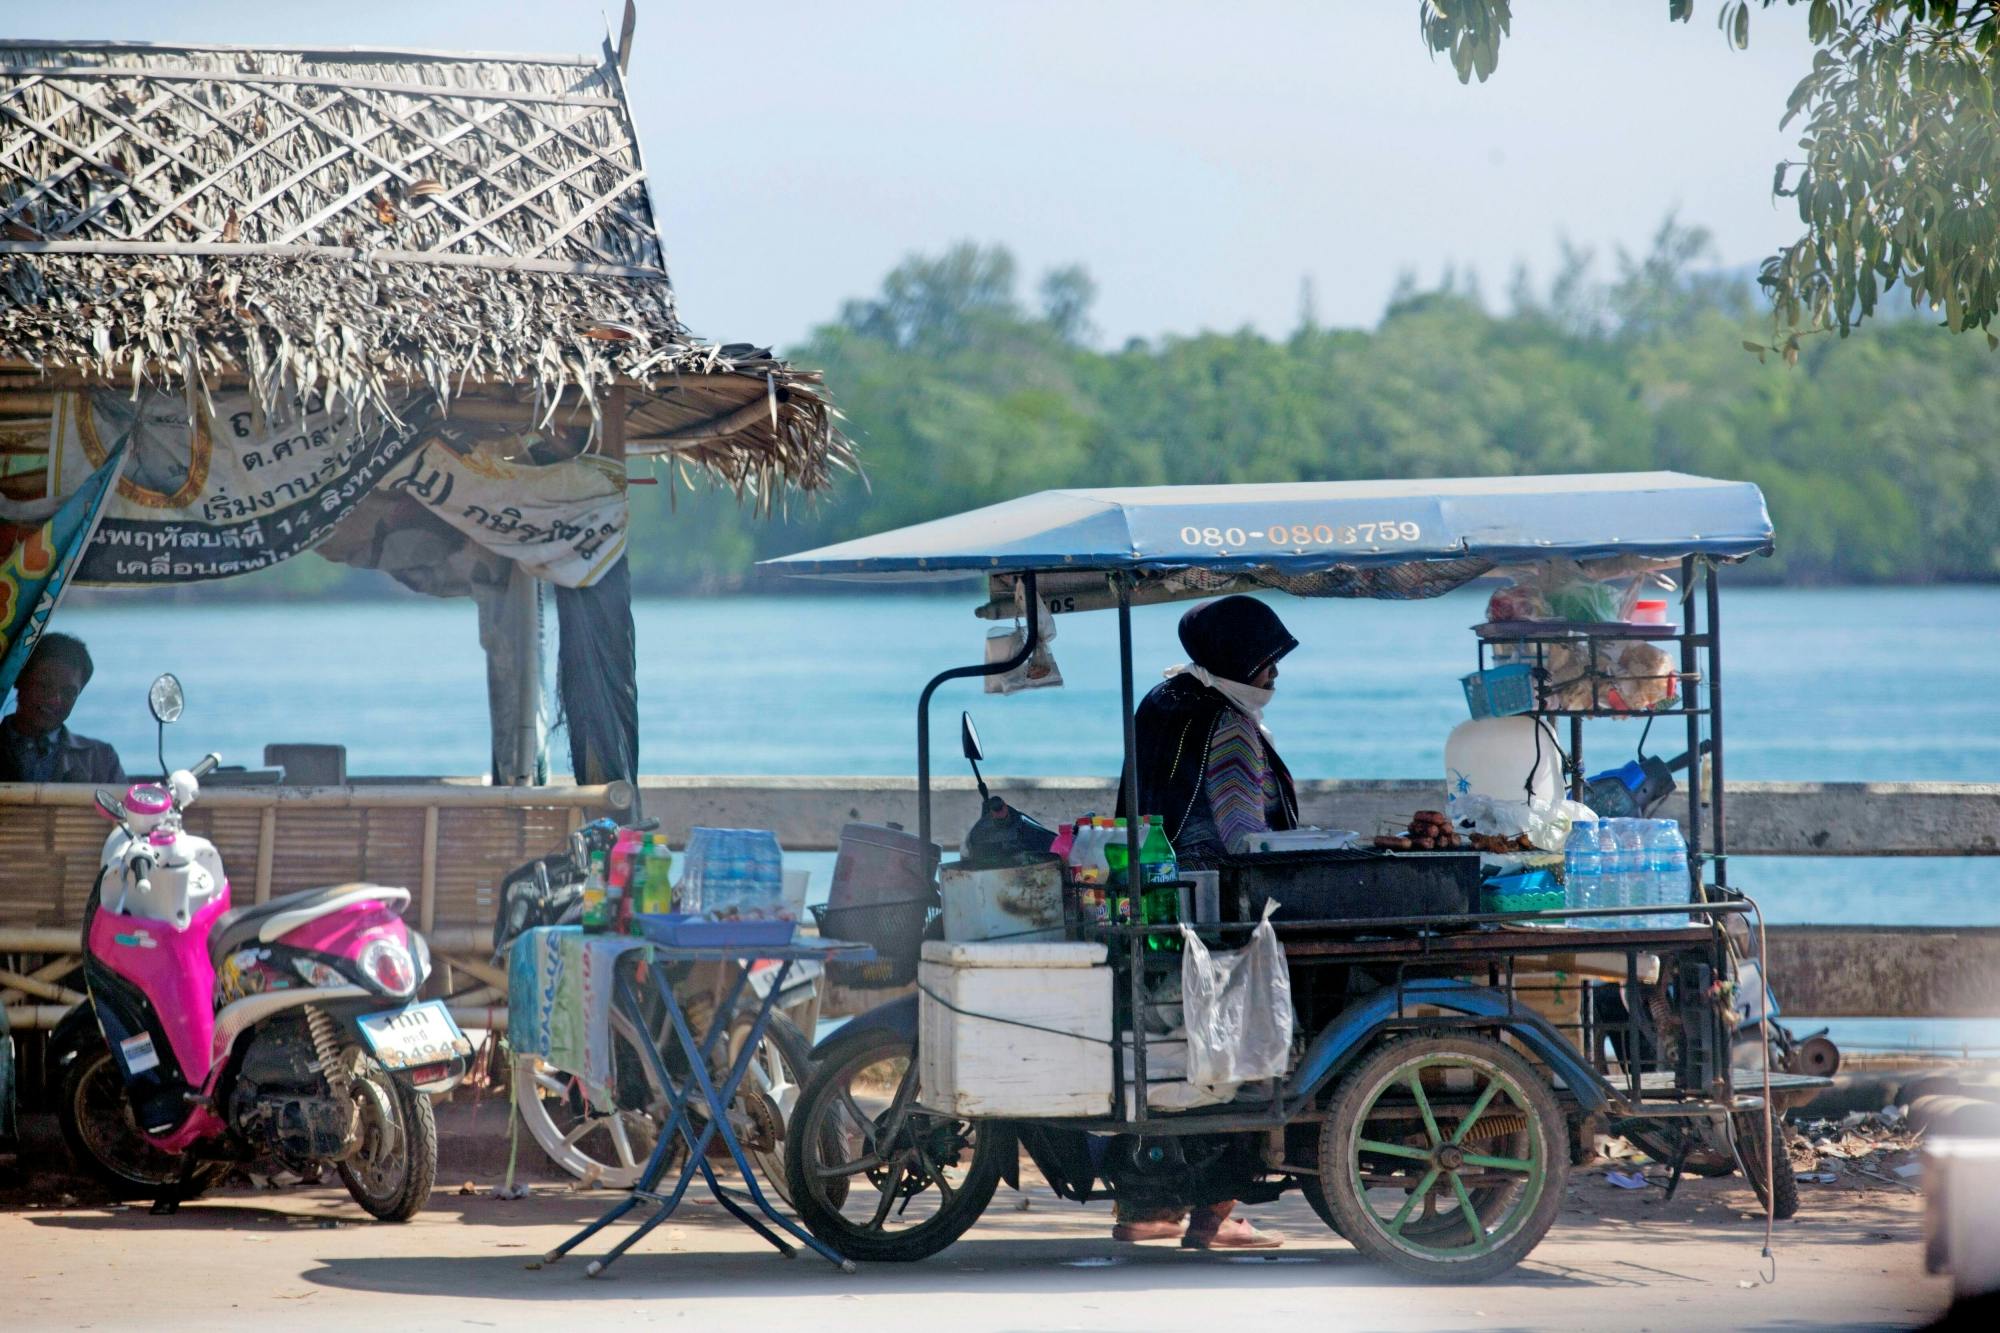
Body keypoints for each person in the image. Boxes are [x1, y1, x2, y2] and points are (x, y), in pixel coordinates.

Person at [1110, 594, 1299, 1250]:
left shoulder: (1165, 699)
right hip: (1222, 917)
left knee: (1166, 1063)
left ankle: (1147, 1205)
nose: (1274, 675)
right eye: (1269, 663)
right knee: (1256, 1051)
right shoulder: (1231, 724)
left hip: (1159, 902)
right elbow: (1245, 832)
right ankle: (1216, 1214)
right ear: (1242, 661)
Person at [0, 633, 125, 785]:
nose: (54, 700)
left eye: (68, 693)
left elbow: (121, 809)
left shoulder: (101, 759)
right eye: (44, 686)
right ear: (18, 679)